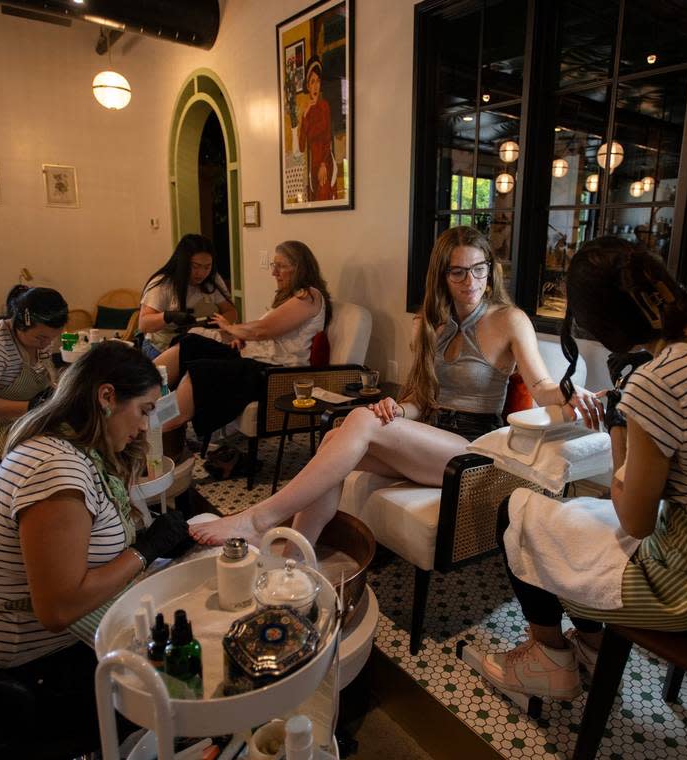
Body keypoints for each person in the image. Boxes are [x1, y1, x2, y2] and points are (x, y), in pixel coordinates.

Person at [480, 236, 687, 700]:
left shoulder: (658, 383)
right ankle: (595, 646)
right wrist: (633, 401)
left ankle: (549, 658)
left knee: (517, 512)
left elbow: (634, 519)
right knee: (575, 523)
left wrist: (624, 415)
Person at [190, 226, 603, 547]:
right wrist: (396, 409)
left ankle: (260, 519)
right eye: (458, 271)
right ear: (442, 275)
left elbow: (543, 384)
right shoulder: (427, 322)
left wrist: (570, 392)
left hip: (474, 450)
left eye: (479, 269)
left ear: (490, 269)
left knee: (356, 421)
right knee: (337, 435)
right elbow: (419, 401)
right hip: (430, 438)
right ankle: (296, 553)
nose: (470, 281)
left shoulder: (509, 319)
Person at [0, 341, 193, 738]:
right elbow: (59, 610)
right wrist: (145, 550)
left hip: (38, 646)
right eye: (144, 411)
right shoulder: (55, 472)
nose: (145, 427)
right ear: (106, 396)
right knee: (186, 669)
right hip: (30, 671)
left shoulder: (70, 448)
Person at [155, 240, 332, 437]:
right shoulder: (291, 297)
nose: (274, 273)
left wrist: (232, 329)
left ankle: (155, 425)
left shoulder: (309, 296)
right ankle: (139, 396)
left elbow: (263, 330)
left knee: (200, 371)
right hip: (255, 358)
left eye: (281, 266)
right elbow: (264, 333)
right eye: (274, 266)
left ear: (300, 268)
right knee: (190, 344)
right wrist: (241, 336)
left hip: (274, 371)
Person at [0, 285, 67, 464]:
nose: (47, 343)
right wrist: (34, 406)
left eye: (52, 337)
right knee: (65, 444)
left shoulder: (41, 339)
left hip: (27, 419)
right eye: (40, 338)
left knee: (88, 429)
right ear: (19, 323)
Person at [138, 234, 238, 359]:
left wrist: (215, 324)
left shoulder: (213, 280)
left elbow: (230, 311)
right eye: (195, 266)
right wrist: (169, 316)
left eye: (207, 267)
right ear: (183, 263)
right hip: (163, 346)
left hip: (200, 341)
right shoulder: (164, 284)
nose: (201, 273)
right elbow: (143, 324)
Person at [297, 58, 335, 202]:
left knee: (323, 196)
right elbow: (301, 147)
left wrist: (324, 164)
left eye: (318, 81)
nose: (315, 86)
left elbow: (328, 138)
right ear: (307, 85)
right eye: (312, 82)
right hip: (313, 167)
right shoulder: (306, 113)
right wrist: (305, 115)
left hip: (325, 163)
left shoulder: (324, 106)